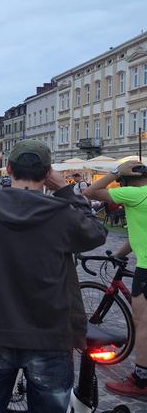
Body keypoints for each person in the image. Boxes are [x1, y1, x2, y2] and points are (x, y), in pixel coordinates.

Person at [0, 140, 107, 412]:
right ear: (48, 173)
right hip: (49, 335)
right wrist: (67, 191)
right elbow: (96, 232)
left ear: (8, 169)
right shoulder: (62, 213)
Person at [84, 161, 147, 396]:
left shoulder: (134, 193)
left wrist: (115, 171)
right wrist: (118, 256)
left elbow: (89, 192)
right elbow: (140, 231)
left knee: (142, 323)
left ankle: (141, 379)